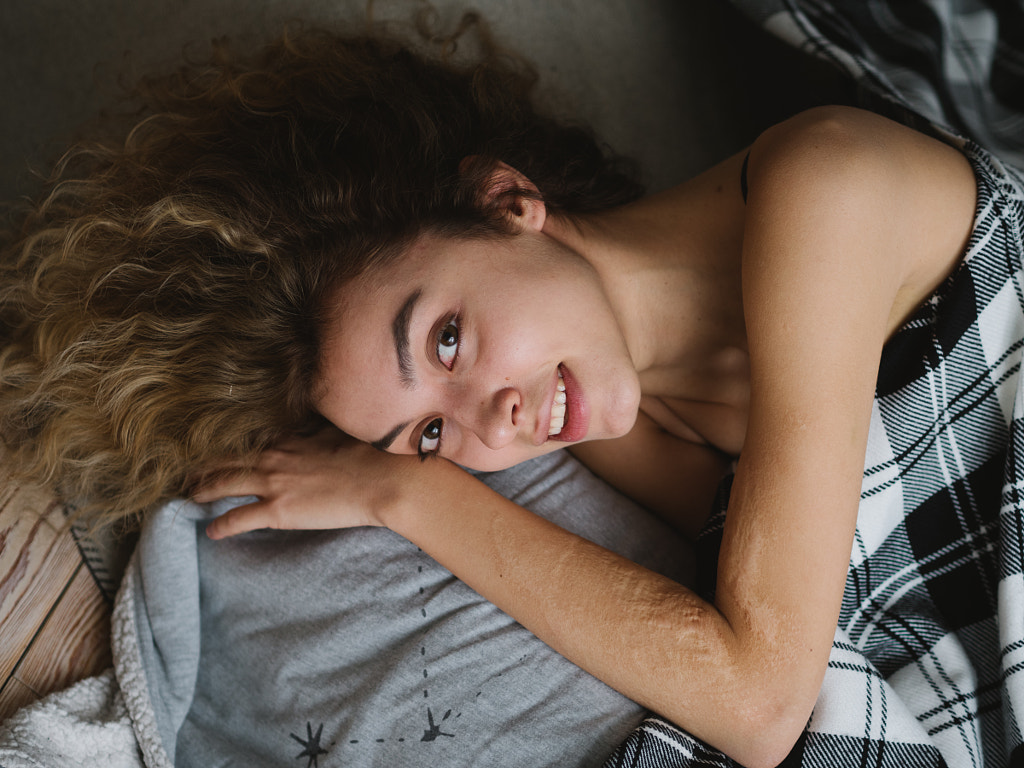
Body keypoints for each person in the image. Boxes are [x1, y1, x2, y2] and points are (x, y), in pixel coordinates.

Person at [1, 21, 1017, 768]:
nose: (491, 417)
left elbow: (756, 703)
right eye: (426, 432)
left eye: (447, 336)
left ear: (508, 200)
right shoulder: (607, 408)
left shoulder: (819, 185)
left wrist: (411, 493)